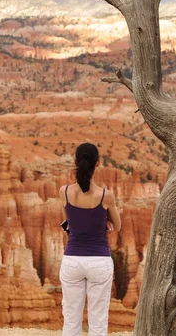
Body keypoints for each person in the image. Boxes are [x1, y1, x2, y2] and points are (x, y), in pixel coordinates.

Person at [59, 142, 121, 336]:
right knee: (98, 322)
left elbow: (68, 222)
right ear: (97, 164)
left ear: (76, 161)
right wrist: (103, 223)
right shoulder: (105, 196)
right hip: (99, 261)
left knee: (70, 321)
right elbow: (117, 227)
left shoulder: (65, 192)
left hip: (72, 261)